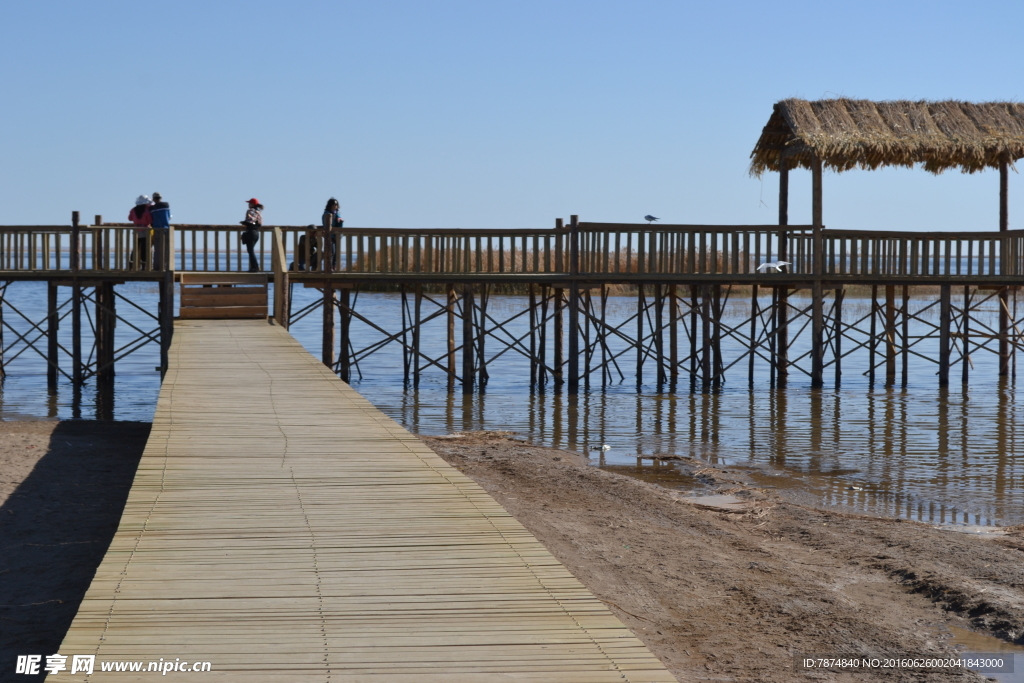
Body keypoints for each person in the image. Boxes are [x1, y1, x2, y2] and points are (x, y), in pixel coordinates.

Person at [127, 195, 151, 269]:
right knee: (144, 249)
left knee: (135, 248)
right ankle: (143, 266)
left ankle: (131, 265)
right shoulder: (147, 211)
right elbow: (150, 220)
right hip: (145, 231)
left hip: (136, 230)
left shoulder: (133, 210)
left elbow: (130, 218)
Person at [240, 198, 263, 272]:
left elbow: (250, 221)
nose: (248, 204)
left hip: (250, 232)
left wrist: (244, 223)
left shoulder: (250, 211)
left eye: (250, 203)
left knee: (250, 251)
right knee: (251, 251)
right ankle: (254, 267)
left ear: (253, 204)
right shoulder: (259, 211)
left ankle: (255, 267)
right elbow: (259, 223)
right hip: (256, 233)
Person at [150, 192, 171, 269]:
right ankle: (165, 266)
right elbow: (169, 217)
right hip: (166, 229)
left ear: (153, 199)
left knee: (157, 249)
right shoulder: (166, 205)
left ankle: (156, 266)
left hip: (156, 229)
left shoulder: (151, 208)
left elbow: (151, 219)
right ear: (161, 198)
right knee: (166, 249)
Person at [321, 197, 343, 270]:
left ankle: (334, 266)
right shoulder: (326, 214)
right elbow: (326, 225)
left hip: (336, 235)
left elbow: (339, 227)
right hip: (329, 236)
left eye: (336, 204)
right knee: (331, 251)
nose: (335, 206)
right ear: (330, 205)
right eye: (333, 204)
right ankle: (329, 267)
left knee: (336, 252)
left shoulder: (337, 214)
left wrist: (340, 222)